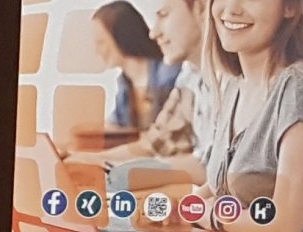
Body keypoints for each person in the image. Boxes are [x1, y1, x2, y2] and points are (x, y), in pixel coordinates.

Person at [192, 0, 303, 232]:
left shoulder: (299, 88)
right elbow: (221, 185)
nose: (232, 9)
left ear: (290, 7)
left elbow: (284, 224)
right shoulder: (233, 86)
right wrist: (181, 208)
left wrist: (211, 216)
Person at [55, 0, 209, 188]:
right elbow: (155, 142)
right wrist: (84, 156)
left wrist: (111, 170)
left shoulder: (171, 73)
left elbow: (200, 163)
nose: (154, 33)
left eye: (164, 14)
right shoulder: (188, 76)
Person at [96, 1, 180, 133]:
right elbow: (114, 127)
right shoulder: (125, 83)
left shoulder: (169, 73)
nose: (97, 51)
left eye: (101, 42)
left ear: (122, 36)